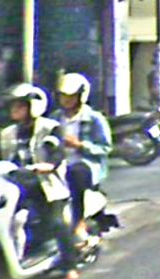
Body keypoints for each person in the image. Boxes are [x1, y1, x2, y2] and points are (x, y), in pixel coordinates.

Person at [0, 83, 85, 279]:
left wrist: (49, 164)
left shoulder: (49, 127)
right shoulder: (8, 133)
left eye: (19, 106)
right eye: (12, 106)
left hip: (47, 186)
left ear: (33, 106)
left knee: (57, 223)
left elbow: (56, 151)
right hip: (18, 185)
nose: (14, 110)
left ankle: (71, 271)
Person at [51, 72, 112, 244]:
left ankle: (78, 223)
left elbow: (105, 147)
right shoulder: (55, 118)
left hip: (87, 164)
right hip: (58, 163)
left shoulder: (94, 118)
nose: (66, 100)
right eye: (63, 96)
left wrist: (79, 145)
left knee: (75, 175)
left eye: (71, 96)